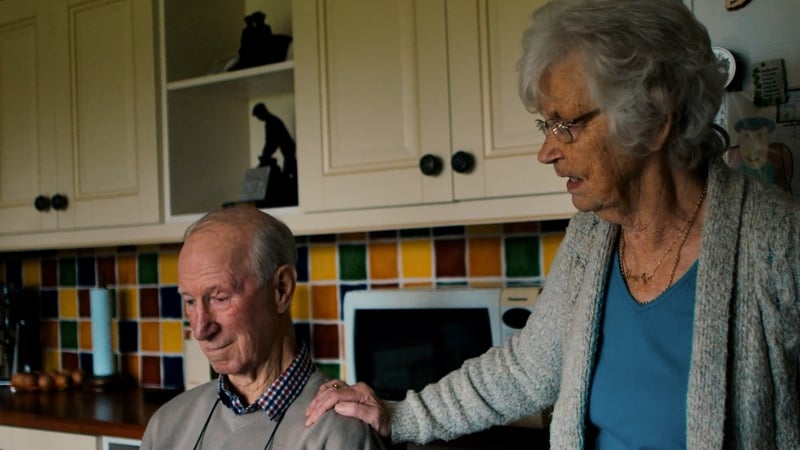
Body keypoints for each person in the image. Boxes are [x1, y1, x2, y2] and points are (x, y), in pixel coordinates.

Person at [305, 0, 800, 448]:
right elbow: (524, 370)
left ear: (653, 118)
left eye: (566, 124)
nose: (547, 151)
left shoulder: (777, 244)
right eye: (547, 125)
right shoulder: (592, 237)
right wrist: (400, 416)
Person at [141, 206, 386, 449]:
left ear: (281, 289)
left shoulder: (340, 433)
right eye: (190, 302)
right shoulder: (165, 425)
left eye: (220, 298)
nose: (200, 329)